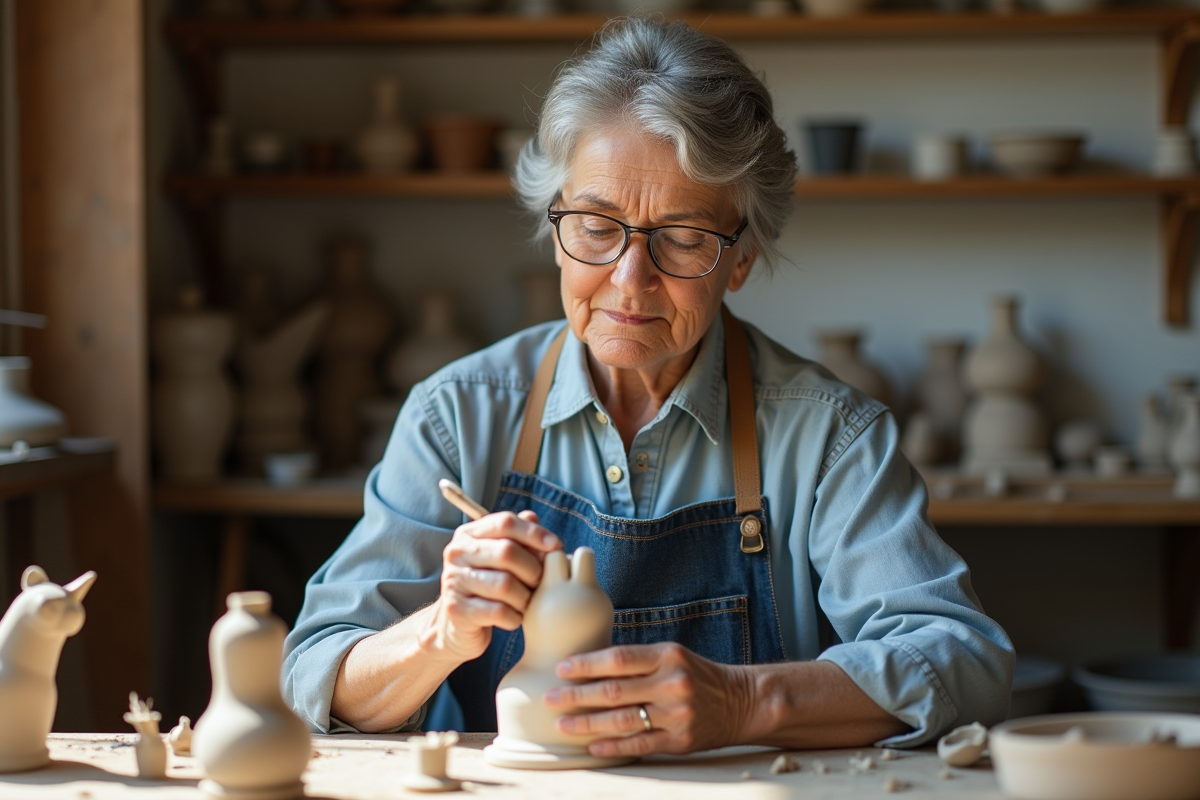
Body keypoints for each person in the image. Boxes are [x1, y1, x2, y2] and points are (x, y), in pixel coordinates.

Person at [283, 17, 1013, 757]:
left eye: (684, 238)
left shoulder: (827, 434)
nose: (631, 282)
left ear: (741, 260)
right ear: (555, 223)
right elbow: (312, 676)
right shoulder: (459, 415)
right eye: (598, 227)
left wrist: (745, 701)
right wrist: (438, 633)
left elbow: (965, 661)